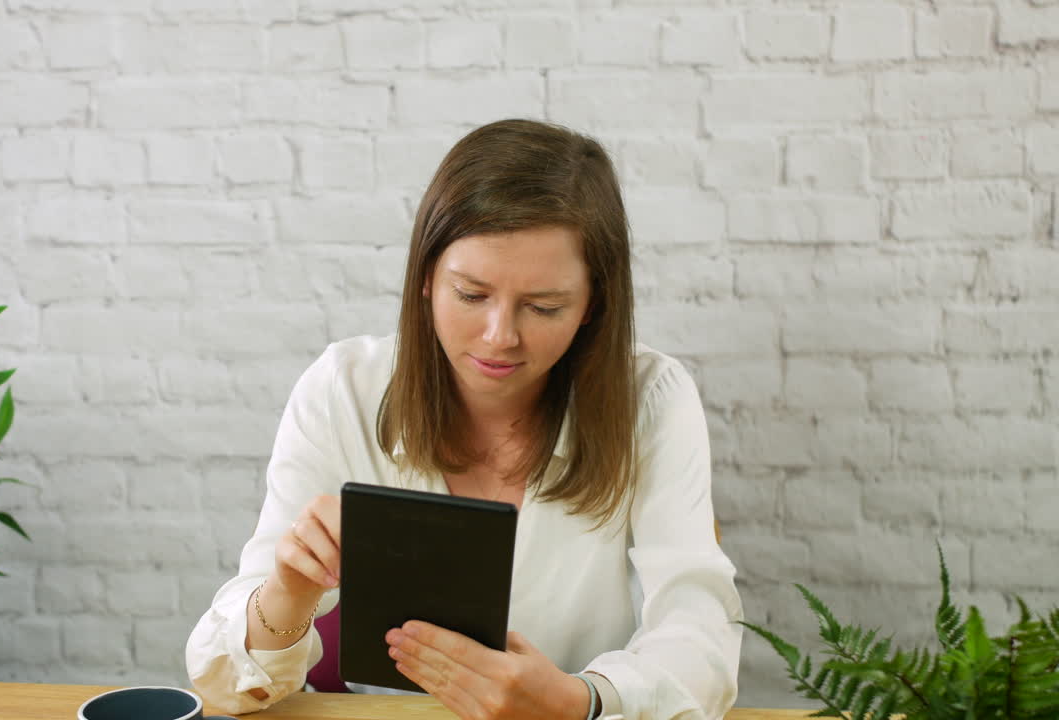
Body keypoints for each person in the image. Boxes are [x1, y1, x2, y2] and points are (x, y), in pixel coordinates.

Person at [185, 119, 743, 719]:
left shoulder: (651, 400)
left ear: (593, 306)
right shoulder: (343, 388)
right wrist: (289, 594)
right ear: (426, 277)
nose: (499, 336)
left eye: (543, 306)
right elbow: (222, 688)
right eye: (472, 295)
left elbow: (703, 639)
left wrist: (577, 700)